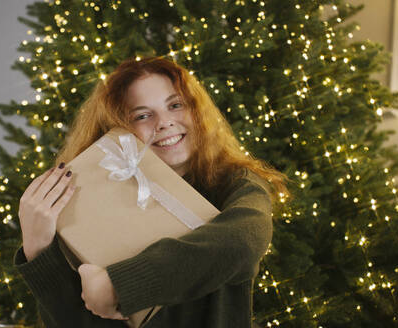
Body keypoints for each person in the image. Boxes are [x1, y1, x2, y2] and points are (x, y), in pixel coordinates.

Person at [14, 56, 288, 328]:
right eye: (142, 115)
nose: (164, 122)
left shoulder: (236, 183)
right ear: (116, 130)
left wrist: (120, 285)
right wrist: (38, 250)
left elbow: (244, 241)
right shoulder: (90, 207)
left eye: (176, 105)